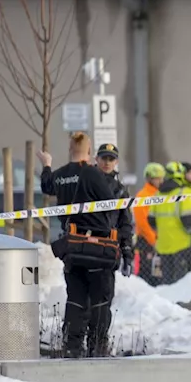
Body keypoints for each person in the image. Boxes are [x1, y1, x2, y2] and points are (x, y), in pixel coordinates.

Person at [37, 132, 133, 358]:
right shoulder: (87, 177)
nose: (107, 162)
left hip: (98, 250)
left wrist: (127, 251)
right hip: (86, 249)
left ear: (116, 162)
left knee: (98, 302)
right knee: (81, 299)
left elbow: (125, 223)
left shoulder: (117, 189)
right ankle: (76, 346)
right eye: (104, 158)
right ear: (94, 158)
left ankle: (95, 346)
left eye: (111, 159)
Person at [151, 161, 191, 284]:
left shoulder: (158, 194)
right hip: (183, 245)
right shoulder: (184, 193)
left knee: (167, 282)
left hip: (163, 245)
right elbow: (189, 220)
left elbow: (151, 220)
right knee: (183, 283)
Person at [133, 162, 165, 284]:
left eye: (161, 178)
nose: (161, 181)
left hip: (160, 240)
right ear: (150, 179)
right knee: (146, 275)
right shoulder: (142, 196)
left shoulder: (161, 195)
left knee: (159, 275)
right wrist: (153, 240)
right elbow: (142, 223)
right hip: (146, 242)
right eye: (157, 178)